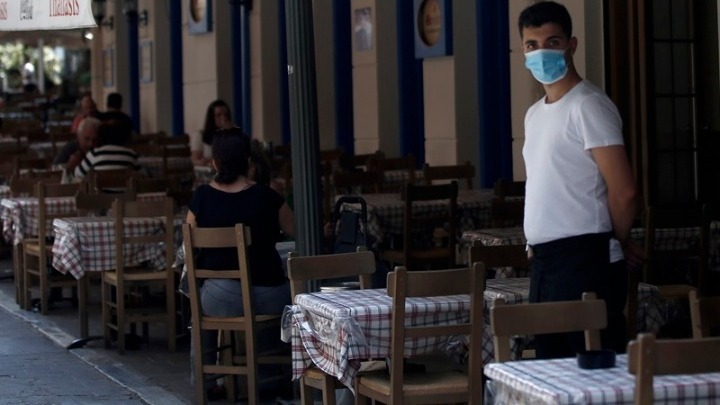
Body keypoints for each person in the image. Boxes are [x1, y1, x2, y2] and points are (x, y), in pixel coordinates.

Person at [518, 1, 642, 359]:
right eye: (532, 45)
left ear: (571, 45)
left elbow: (625, 191)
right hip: (545, 264)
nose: (541, 53)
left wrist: (614, 240)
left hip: (585, 262)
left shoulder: (589, 105)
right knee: (551, 372)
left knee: (594, 370)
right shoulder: (534, 114)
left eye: (552, 42)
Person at [186, 128, 295, 399]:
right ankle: (272, 380)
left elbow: (190, 248)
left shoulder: (201, 197)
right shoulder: (268, 197)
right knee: (290, 298)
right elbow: (299, 232)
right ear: (248, 161)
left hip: (221, 297)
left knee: (199, 303)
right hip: (270, 296)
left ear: (215, 163)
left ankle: (206, 383)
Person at [74, 122, 139, 178]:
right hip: (127, 189)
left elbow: (78, 174)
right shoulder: (131, 154)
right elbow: (140, 173)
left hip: (99, 189)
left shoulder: (94, 154)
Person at [191, 100, 233, 166]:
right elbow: (195, 160)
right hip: (207, 170)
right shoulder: (199, 136)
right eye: (218, 115)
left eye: (226, 115)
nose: (223, 118)